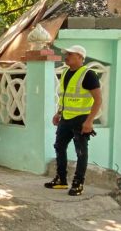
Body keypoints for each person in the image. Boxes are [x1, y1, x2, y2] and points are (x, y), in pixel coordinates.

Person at [44, 45, 102, 196]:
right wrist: (58, 113)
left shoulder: (88, 75)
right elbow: (65, 97)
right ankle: (61, 179)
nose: (67, 56)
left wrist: (89, 121)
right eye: (67, 54)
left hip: (81, 119)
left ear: (80, 57)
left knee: (81, 152)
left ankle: (78, 183)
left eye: (70, 54)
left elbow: (98, 100)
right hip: (66, 118)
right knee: (59, 146)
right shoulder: (65, 73)